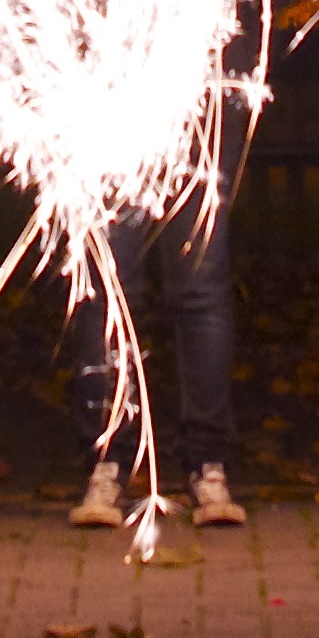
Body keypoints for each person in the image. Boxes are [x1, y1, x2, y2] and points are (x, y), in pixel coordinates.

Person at [66, 97, 251, 532]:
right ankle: (110, 462)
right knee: (112, 290)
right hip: (110, 89)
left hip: (199, 92)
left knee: (196, 289)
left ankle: (206, 463)